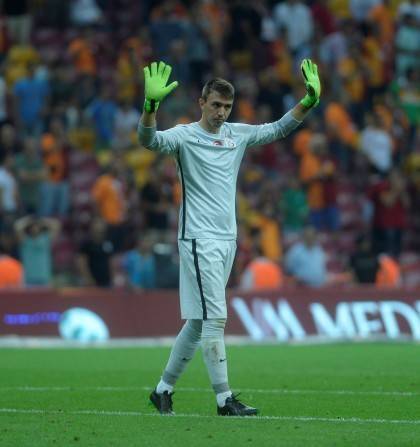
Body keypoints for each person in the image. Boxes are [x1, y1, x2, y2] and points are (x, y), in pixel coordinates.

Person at [137, 59, 321, 416]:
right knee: (215, 318)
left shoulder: (237, 134)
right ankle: (224, 399)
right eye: (216, 105)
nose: (221, 112)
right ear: (202, 103)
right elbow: (148, 141)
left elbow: (278, 129)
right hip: (198, 238)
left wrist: (308, 102)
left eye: (227, 106)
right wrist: (150, 107)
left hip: (227, 239)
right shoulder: (184, 136)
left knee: (197, 322)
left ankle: (162, 390)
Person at [14, 215, 61, 286]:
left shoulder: (46, 239)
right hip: (29, 279)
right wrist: (29, 220)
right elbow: (17, 226)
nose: (35, 228)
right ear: (29, 228)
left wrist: (41, 220)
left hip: (44, 278)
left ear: (40, 227)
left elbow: (57, 225)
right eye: (32, 227)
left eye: (36, 226)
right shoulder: (25, 241)